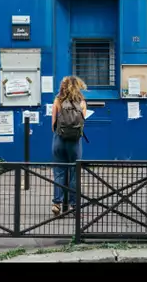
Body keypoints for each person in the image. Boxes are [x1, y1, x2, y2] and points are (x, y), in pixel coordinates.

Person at [51, 76, 87, 216]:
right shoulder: (82, 103)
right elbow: (82, 124)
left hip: (59, 140)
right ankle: (74, 206)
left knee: (59, 172)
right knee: (74, 173)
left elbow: (53, 125)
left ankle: (56, 203)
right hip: (75, 142)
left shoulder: (58, 101)